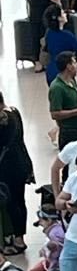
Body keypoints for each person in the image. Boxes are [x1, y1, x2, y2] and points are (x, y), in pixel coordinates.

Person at [0, 96, 35, 254]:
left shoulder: (4, 121)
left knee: (12, 202)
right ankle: (19, 237)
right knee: (19, 201)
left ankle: (17, 239)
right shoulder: (14, 111)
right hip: (20, 162)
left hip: (8, 168)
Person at [22, 0, 61, 72]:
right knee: (46, 35)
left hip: (33, 11)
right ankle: (48, 60)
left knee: (35, 36)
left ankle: (37, 62)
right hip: (46, 11)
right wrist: (60, 7)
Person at [48, 50, 77, 149]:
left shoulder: (72, 81)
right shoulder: (57, 88)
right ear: (68, 66)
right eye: (74, 62)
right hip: (68, 132)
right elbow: (55, 114)